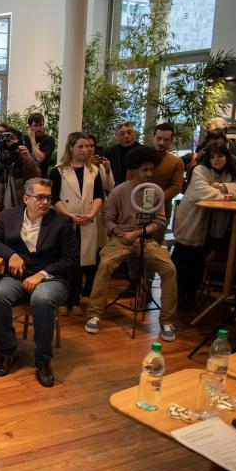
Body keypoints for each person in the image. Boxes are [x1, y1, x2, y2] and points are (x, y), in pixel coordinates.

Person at [0, 178, 77, 388]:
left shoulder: (62, 222)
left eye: (48, 198)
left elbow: (70, 260)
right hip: (18, 276)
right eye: (40, 197)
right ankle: (8, 351)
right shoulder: (9, 216)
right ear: (26, 198)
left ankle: (43, 361)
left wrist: (42, 274)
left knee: (42, 299)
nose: (45, 202)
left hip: (52, 278)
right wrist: (11, 255)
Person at [85, 146, 178, 341]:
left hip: (146, 240)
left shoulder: (154, 192)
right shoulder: (120, 190)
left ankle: (167, 321)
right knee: (106, 264)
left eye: (152, 170)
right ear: (134, 170)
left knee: (169, 268)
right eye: (145, 170)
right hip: (121, 239)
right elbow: (107, 219)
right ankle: (94, 314)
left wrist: (138, 232)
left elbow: (160, 220)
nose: (149, 174)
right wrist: (121, 233)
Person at [172, 143, 236, 310]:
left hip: (211, 228)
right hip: (192, 222)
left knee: (199, 263)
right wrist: (227, 196)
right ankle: (175, 296)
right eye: (213, 156)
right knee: (182, 260)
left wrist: (220, 186)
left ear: (227, 157)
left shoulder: (231, 173)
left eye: (220, 156)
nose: (216, 160)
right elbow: (201, 192)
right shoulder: (200, 170)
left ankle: (190, 296)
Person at [48, 132, 104, 315]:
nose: (85, 150)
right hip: (66, 221)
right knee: (66, 260)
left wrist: (91, 214)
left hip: (87, 221)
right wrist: (68, 215)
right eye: (81, 146)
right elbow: (54, 198)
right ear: (71, 147)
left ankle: (76, 300)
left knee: (82, 262)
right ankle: (63, 300)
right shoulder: (58, 170)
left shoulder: (94, 170)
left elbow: (98, 196)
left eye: (87, 146)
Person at [0, 127, 41, 226]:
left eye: (12, 138)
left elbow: (35, 180)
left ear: (19, 141)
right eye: (6, 138)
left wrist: (28, 160)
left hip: (23, 211)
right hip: (2, 211)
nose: (9, 141)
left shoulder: (25, 159)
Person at [148, 122, 184, 243]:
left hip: (162, 212)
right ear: (153, 137)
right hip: (136, 210)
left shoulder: (176, 162)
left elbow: (176, 187)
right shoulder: (140, 156)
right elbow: (130, 181)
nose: (161, 142)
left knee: (154, 249)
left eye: (166, 139)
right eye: (159, 138)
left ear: (171, 140)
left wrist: (157, 198)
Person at [104, 122, 140, 186]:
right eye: (122, 134)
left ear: (134, 134)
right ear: (117, 137)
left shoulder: (143, 151)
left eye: (129, 133)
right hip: (116, 189)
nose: (126, 136)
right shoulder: (110, 152)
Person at [23, 113, 56, 177]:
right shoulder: (26, 138)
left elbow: (39, 158)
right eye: (35, 126)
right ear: (30, 127)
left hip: (41, 178)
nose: (38, 128)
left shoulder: (49, 139)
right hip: (26, 177)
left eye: (40, 125)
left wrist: (32, 139)